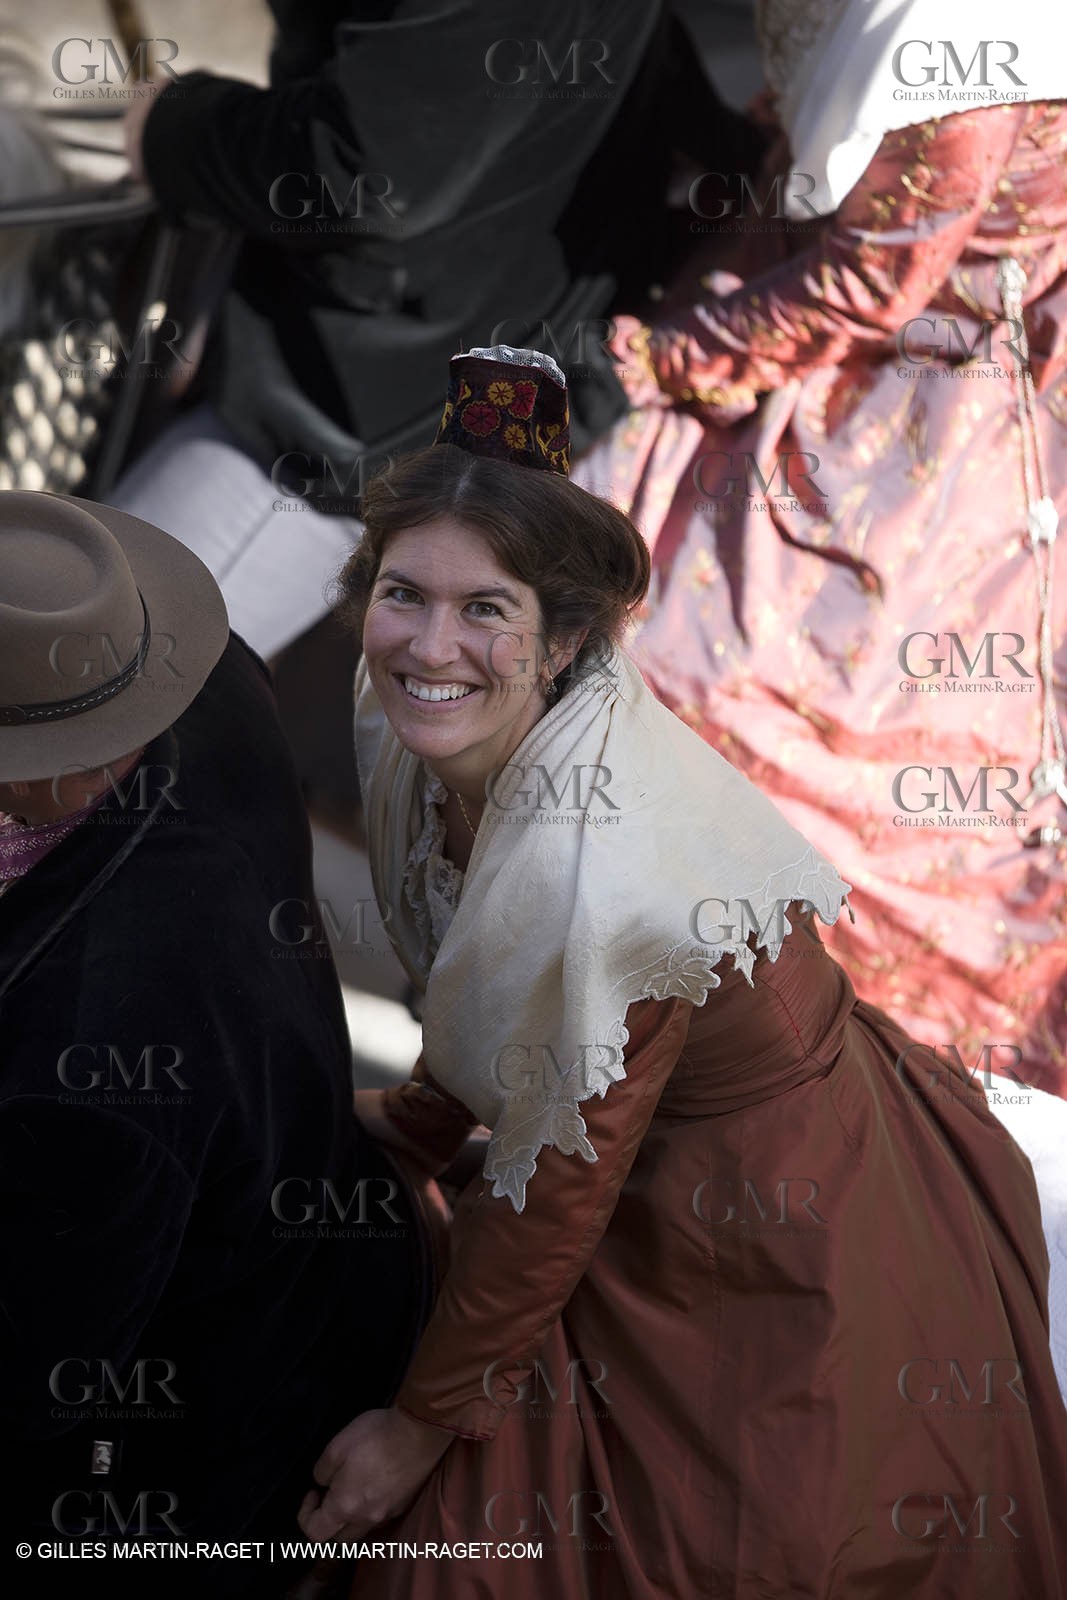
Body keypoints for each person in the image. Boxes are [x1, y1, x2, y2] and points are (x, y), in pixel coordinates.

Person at [297, 346, 1067, 1597]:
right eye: (403, 593)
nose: (429, 644)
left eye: (486, 608)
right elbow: (485, 978)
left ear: (562, 647)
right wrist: (434, 1110)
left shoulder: (605, 866)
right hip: (615, 1136)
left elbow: (553, 1194)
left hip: (755, 1204)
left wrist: (416, 1427)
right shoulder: (415, 712)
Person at [570, 0, 1067, 1098]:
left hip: (911, 394)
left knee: (729, 695)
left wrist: (646, 363)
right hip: (822, 292)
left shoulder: (966, 41)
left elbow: (869, 281)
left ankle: (780, 1093)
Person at [0, 492, 426, 1595]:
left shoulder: (83, 1067)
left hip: (194, 1449)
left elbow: (33, 1389)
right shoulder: (210, 674)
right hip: (315, 1222)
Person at [109, 0, 693, 660]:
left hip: (355, 409)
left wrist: (173, 129)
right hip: (451, 361)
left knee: (83, 673)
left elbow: (370, 168)